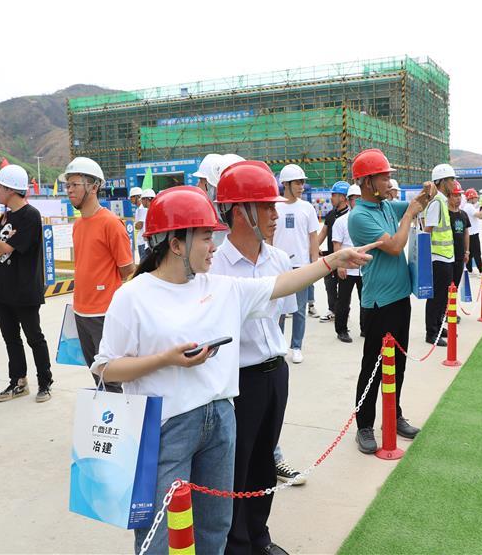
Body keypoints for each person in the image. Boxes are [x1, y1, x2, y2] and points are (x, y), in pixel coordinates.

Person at [90, 185, 375, 555]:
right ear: (176, 244)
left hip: (221, 421)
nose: (214, 246)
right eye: (205, 238)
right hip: (165, 427)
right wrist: (165, 359)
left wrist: (332, 261)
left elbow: (279, 284)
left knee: (215, 526)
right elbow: (107, 368)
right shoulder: (132, 295)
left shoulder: (222, 288)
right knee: (158, 533)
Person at [209, 160, 297, 555]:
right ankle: (237, 544)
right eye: (266, 207)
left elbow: (279, 317)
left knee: (264, 462)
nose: (275, 214)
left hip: (275, 373)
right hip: (238, 380)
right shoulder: (214, 265)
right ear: (240, 212)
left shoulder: (278, 259)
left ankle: (259, 537)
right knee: (236, 467)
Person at [347, 149, 434, 454]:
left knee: (397, 364)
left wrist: (428, 191)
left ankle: (393, 415)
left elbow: (418, 204)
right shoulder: (359, 216)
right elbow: (396, 246)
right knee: (372, 367)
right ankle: (364, 425)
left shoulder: (385, 206)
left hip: (399, 299)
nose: (389, 182)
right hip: (378, 304)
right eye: (384, 177)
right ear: (367, 181)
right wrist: (409, 215)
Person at [62, 157, 134, 392]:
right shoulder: (78, 225)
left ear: (94, 187)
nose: (69, 190)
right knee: (97, 377)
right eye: (67, 185)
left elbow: (127, 269)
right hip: (81, 312)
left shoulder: (111, 224)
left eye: (75, 184)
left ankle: (119, 415)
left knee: (112, 380)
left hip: (104, 313)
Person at [0, 163, 54, 403]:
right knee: (11, 339)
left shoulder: (31, 216)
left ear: (11, 189)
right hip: (2, 289)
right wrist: (4, 245)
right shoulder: (5, 217)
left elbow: (6, 248)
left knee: (34, 337)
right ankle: (18, 381)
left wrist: (4, 245)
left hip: (24, 288)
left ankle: (45, 382)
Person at [273, 164, 319, 363]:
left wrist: (315, 264)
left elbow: (313, 237)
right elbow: (268, 237)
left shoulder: (307, 208)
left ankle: (297, 347)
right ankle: (279, 346)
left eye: (302, 182)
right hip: (279, 267)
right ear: (286, 184)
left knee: (299, 309)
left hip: (302, 266)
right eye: (298, 183)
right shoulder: (275, 207)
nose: (302, 186)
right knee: (279, 310)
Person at [423, 164, 459, 346]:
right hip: (437, 258)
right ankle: (431, 332)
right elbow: (427, 231)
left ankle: (438, 325)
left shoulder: (442, 201)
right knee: (436, 297)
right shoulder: (437, 202)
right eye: (451, 179)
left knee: (444, 296)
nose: (454, 183)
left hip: (446, 257)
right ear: (442, 182)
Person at [332, 183, 363, 343]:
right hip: (347, 268)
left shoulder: (367, 220)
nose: (356, 201)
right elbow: (337, 245)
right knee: (343, 301)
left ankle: (366, 328)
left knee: (366, 300)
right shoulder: (341, 221)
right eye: (353, 199)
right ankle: (342, 330)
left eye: (359, 198)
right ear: (348, 200)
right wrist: (340, 266)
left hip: (365, 268)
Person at [316, 181, 350, 323]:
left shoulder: (351, 216)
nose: (331, 198)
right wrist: (314, 247)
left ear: (342, 197)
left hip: (345, 258)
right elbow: (323, 233)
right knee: (330, 285)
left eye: (334, 195)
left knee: (344, 289)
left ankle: (343, 312)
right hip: (331, 257)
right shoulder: (330, 215)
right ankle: (332, 310)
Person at [447, 181, 471, 288]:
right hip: (447, 257)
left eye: (459, 195)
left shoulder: (463, 214)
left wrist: (467, 252)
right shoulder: (445, 214)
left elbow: (466, 233)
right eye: (455, 195)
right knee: (447, 286)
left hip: (460, 256)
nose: (458, 198)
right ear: (448, 196)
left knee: (455, 285)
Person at [462, 188, 482, 273]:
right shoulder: (469, 207)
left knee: (470, 253)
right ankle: (480, 271)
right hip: (473, 234)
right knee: (477, 253)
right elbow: (480, 215)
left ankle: (469, 270)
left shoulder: (468, 206)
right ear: (471, 198)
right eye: (475, 197)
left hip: (469, 234)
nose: (477, 199)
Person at [134, 188, 155, 260]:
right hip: (149, 244)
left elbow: (140, 226)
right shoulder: (150, 210)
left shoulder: (150, 211)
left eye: (142, 199)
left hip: (150, 245)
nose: (141, 202)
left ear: (147, 199)